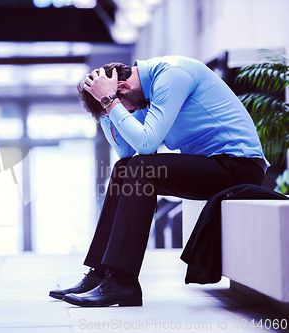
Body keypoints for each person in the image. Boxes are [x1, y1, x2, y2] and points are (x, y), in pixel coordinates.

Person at [49, 55, 269, 307]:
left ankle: (122, 281)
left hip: (239, 166)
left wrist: (109, 102)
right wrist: (106, 109)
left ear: (121, 88)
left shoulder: (171, 75)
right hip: (214, 164)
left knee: (142, 168)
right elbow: (125, 151)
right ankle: (101, 274)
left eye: (121, 106)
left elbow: (146, 144)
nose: (125, 113)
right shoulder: (143, 94)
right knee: (125, 169)